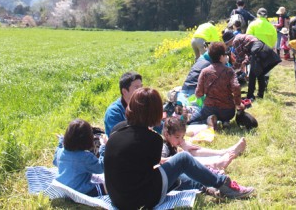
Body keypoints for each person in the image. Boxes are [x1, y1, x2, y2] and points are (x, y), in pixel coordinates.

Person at [104, 88, 254, 209]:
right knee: (183, 159)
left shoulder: (117, 130)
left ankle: (208, 185)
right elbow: (157, 167)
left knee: (175, 170)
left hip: (118, 200)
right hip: (140, 201)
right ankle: (225, 185)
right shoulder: (152, 139)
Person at [162, 116, 246, 171]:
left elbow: (183, 145)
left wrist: (184, 146)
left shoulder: (174, 143)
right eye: (177, 137)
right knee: (186, 157)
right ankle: (214, 165)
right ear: (167, 134)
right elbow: (160, 161)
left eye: (182, 137)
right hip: (175, 173)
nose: (180, 140)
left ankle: (224, 152)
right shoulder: (164, 147)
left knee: (192, 149)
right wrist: (180, 156)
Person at [189, 41, 244, 125]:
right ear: (221, 57)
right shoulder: (229, 71)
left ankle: (208, 121)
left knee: (192, 120)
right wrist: (238, 103)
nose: (227, 57)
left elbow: (198, 93)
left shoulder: (205, 72)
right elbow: (236, 87)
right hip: (228, 111)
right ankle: (225, 121)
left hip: (209, 109)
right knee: (226, 115)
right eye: (226, 55)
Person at [53, 118, 106, 197]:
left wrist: (61, 142)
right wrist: (103, 148)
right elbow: (100, 168)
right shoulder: (85, 157)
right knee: (107, 187)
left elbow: (55, 161)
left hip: (61, 186)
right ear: (88, 139)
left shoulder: (60, 151)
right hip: (79, 190)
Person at [232, 33, 282, 101]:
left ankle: (250, 96)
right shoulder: (243, 37)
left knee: (252, 75)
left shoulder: (235, 41)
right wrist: (245, 62)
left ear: (229, 40)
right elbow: (248, 55)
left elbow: (240, 57)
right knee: (260, 73)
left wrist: (232, 69)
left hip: (257, 50)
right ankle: (260, 95)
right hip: (262, 47)